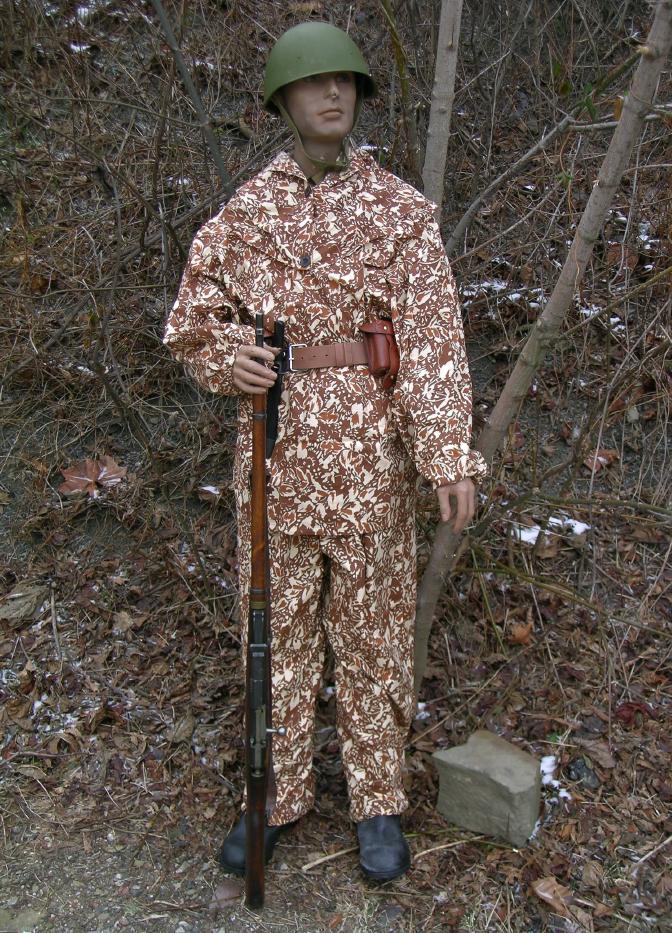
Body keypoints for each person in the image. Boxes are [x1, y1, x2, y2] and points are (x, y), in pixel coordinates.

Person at [163, 21, 487, 882]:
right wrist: (228, 358)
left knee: (374, 632)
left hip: (372, 464)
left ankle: (378, 802)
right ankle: (275, 795)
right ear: (284, 100)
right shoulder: (245, 216)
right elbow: (190, 325)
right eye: (314, 83)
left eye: (345, 81)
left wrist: (447, 455)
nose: (332, 94)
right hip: (274, 458)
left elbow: (431, 343)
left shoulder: (400, 213)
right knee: (274, 631)